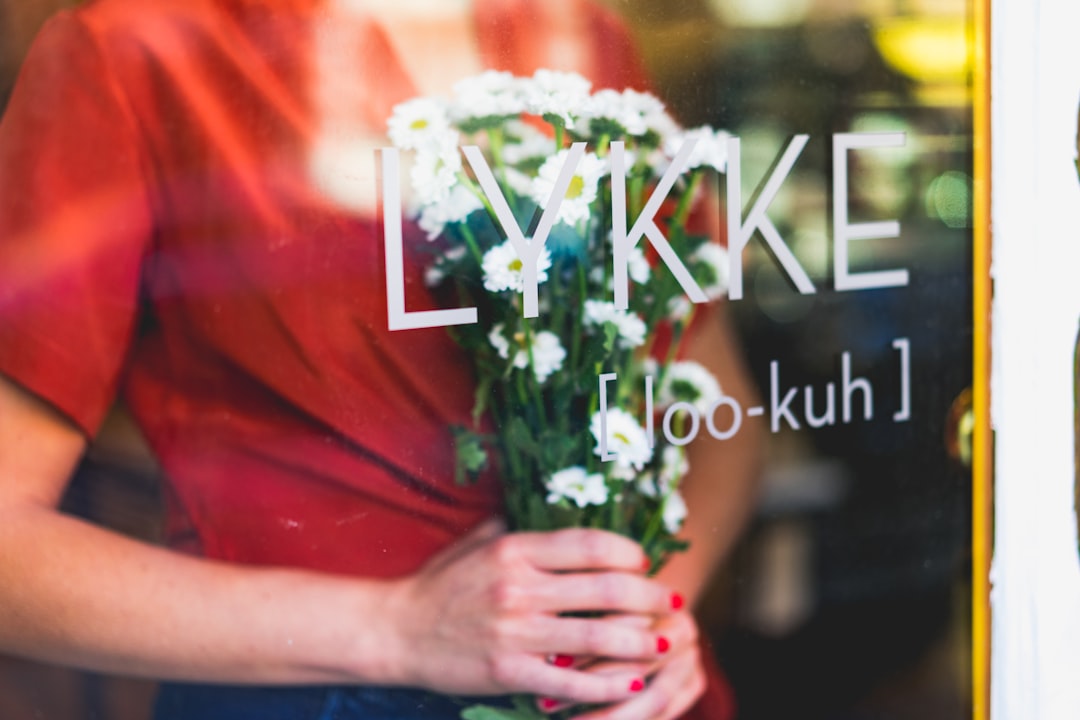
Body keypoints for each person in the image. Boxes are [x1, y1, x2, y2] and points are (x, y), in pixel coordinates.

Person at [0, 0, 761, 718]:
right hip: (321, 702)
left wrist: (635, 624)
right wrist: (394, 628)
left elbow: (717, 407)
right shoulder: (136, 46)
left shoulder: (576, 37)